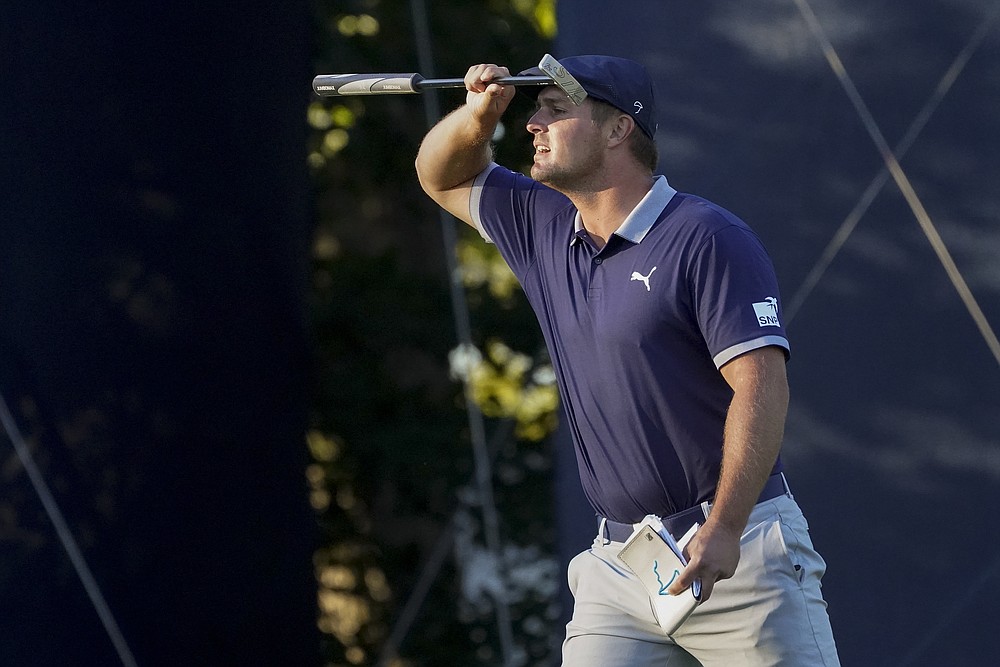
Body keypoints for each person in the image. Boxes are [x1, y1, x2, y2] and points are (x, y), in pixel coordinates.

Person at [415, 55, 840, 666]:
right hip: (617, 568)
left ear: (618, 130)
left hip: (736, 547)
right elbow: (441, 175)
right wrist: (480, 115)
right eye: (536, 110)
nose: (533, 124)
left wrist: (724, 529)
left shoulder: (706, 236)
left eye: (556, 110)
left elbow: (761, 387)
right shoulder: (542, 221)